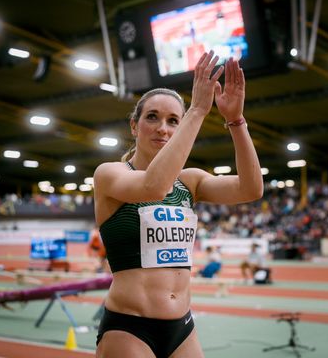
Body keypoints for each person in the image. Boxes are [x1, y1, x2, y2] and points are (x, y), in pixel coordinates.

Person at [93, 51, 263, 358]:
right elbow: (153, 187)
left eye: (174, 120)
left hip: (183, 327)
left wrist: (236, 121)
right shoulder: (111, 174)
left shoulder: (191, 181)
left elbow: (250, 189)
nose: (163, 128)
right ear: (134, 125)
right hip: (130, 327)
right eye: (152, 117)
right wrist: (197, 110)